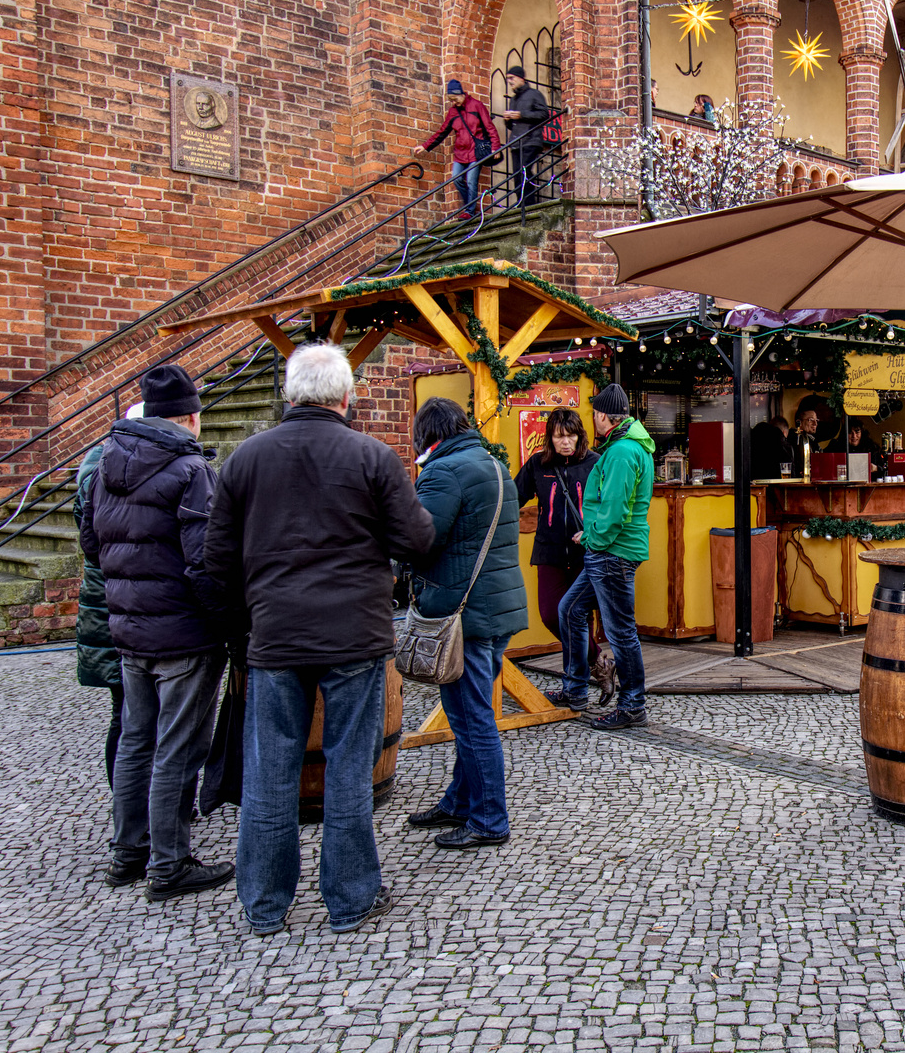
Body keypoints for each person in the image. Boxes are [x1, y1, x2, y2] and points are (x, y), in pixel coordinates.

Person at [206, 344, 435, 936]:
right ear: (346, 397)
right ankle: (352, 898)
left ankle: (263, 903)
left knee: (269, 773)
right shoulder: (371, 456)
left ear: (289, 394)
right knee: (349, 768)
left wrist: (245, 624)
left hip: (276, 635)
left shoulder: (244, 459)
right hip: (353, 636)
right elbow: (416, 540)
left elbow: (217, 561)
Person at [78, 366, 232, 900]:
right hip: (183, 635)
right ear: (190, 416)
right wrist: (228, 624)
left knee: (135, 743)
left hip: (128, 630)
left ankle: (128, 854)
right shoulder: (190, 469)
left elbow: (93, 548)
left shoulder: (105, 463)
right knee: (177, 747)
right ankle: (169, 866)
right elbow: (204, 562)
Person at [404, 398, 527, 849]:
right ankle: (459, 801)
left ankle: (490, 819)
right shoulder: (493, 464)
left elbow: (419, 539)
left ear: (428, 435)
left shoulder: (443, 472)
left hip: (463, 615)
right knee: (470, 714)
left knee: (472, 719)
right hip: (496, 610)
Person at [558, 384, 655, 730]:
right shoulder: (625, 447)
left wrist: (594, 538)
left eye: (594, 414)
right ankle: (575, 689)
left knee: (621, 633)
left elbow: (614, 509)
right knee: (570, 610)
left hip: (612, 552)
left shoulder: (622, 452)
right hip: (607, 549)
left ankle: (632, 705)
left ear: (602, 416)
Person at [513, 408, 609, 704]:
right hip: (549, 551)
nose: (565, 442)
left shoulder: (595, 464)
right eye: (559, 436)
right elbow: (512, 497)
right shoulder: (537, 465)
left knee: (577, 617)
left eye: (571, 436)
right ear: (550, 438)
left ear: (580, 435)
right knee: (551, 614)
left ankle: (575, 689)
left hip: (586, 553)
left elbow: (609, 506)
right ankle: (597, 659)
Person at [75, 410, 135, 788]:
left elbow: (89, 544)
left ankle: (125, 803)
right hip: (130, 609)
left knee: (123, 714)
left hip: (102, 608)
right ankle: (157, 806)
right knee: (147, 718)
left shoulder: (91, 474)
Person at [413, 79, 500, 220]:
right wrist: (425, 146)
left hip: (475, 152)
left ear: (461, 94)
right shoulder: (453, 112)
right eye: (451, 100)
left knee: (471, 181)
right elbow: (442, 132)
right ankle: (469, 205)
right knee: (456, 178)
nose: (454, 102)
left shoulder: (476, 106)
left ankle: (470, 211)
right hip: (460, 153)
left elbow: (490, 127)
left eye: (455, 99)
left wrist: (496, 147)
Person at [503, 66, 551, 207]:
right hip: (516, 141)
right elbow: (512, 125)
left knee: (524, 172)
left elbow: (544, 115)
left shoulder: (534, 94)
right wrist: (508, 120)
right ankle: (521, 204)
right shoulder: (513, 99)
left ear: (521, 78)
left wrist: (521, 115)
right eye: (508, 79)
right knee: (517, 175)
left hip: (531, 139)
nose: (510, 82)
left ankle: (528, 204)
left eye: (512, 78)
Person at [790, 406, 821, 475]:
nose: (815, 424)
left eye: (816, 420)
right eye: (811, 420)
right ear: (799, 422)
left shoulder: (813, 441)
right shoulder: (794, 438)